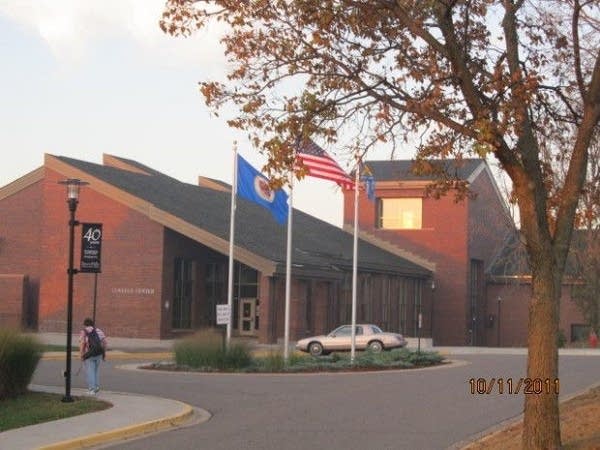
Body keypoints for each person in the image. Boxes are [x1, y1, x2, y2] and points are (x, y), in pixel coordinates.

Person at [79, 317, 107, 395]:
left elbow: (82, 344)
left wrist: (81, 355)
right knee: (96, 371)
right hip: (98, 353)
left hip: (89, 354)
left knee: (90, 372)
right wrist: (104, 354)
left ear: (85, 324)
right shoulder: (99, 331)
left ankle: (92, 389)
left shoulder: (83, 332)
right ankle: (96, 387)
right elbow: (105, 343)